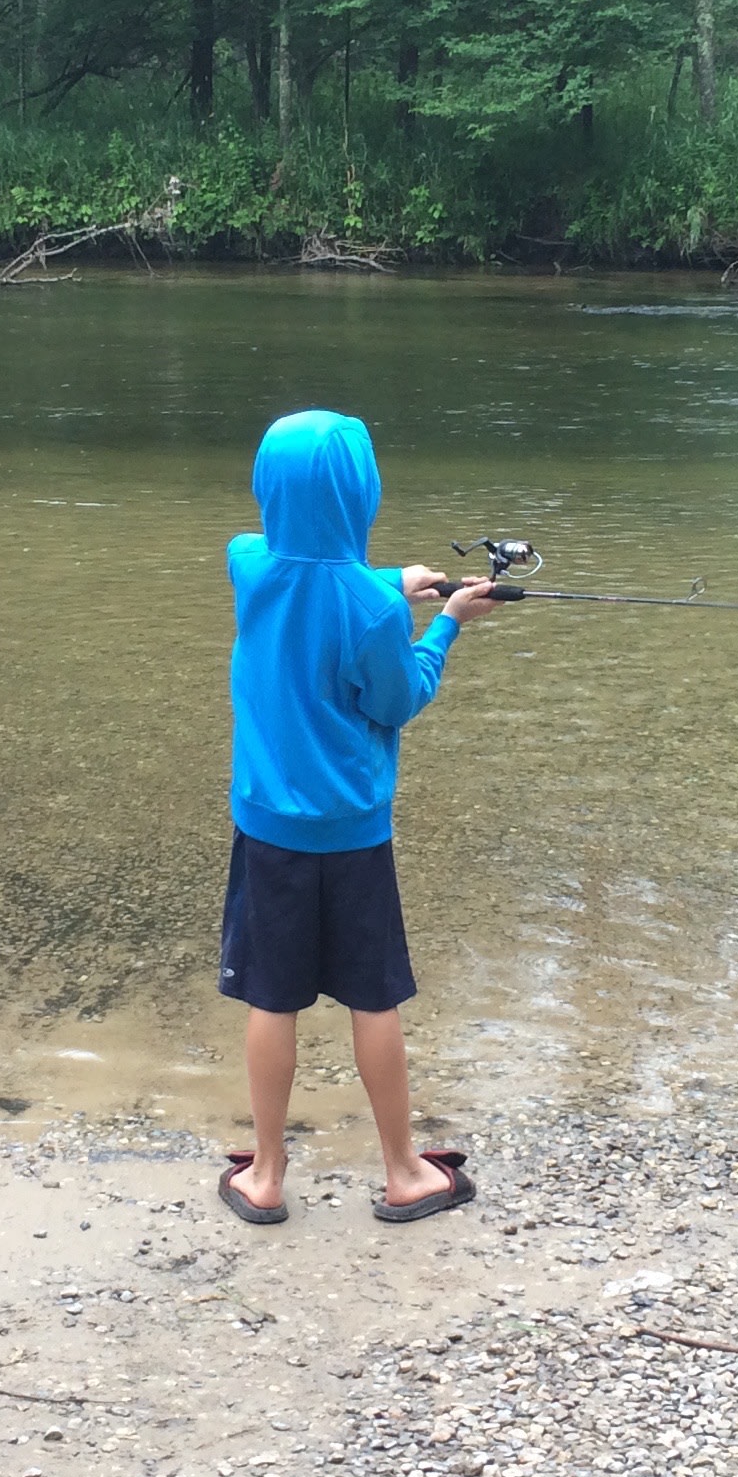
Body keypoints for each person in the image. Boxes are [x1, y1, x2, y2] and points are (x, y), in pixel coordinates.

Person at [214, 408, 500, 1226]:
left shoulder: (247, 564)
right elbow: (399, 697)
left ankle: (265, 1177)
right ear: (364, 494)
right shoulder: (373, 612)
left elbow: (303, 569)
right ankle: (404, 1174)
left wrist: (394, 578)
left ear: (267, 487)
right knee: (373, 1000)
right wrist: (444, 623)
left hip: (269, 831)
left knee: (273, 999)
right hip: (354, 834)